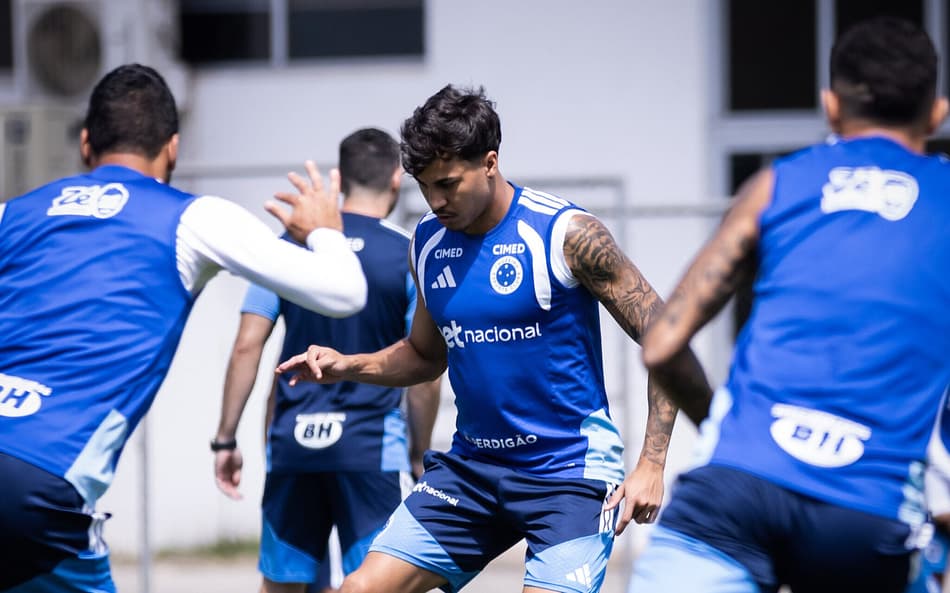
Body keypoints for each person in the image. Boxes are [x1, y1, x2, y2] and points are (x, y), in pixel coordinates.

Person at [276, 84, 711, 593]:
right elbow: (423, 356)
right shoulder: (427, 243)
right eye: (423, 187)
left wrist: (652, 464)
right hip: (472, 471)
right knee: (360, 589)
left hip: (567, 476)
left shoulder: (567, 235)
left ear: (489, 162)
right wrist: (347, 364)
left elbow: (666, 337)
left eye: (448, 184)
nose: (435, 201)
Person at [0, 64, 367, 593]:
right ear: (172, 149)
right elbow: (344, 292)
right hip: (39, 485)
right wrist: (326, 231)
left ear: (85, 144)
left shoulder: (15, 213)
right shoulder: (192, 219)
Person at [632, 17, 950, 593]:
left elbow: (660, 345)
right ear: (937, 113)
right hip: (868, 512)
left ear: (831, 107)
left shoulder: (776, 185)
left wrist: (721, 427)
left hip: (736, 488)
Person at [211, 127, 442, 593]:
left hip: (293, 446)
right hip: (370, 450)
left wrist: (226, 438)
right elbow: (425, 372)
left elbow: (247, 345)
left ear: (337, 182)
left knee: (281, 585)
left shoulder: (292, 245)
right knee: (376, 585)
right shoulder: (408, 252)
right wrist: (419, 453)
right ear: (397, 181)